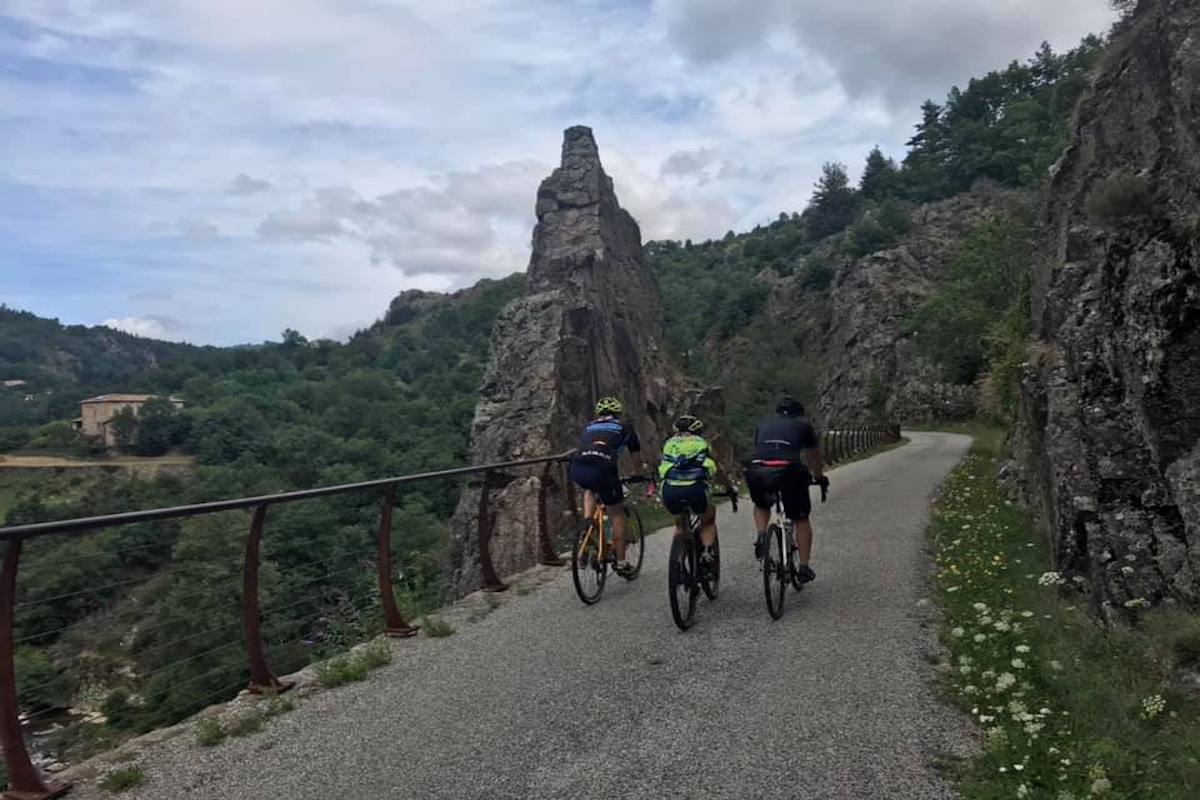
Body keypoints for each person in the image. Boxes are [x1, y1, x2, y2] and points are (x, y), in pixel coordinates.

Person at [744, 397, 829, 584]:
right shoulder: (803, 425)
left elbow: (759, 448)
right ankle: (804, 567)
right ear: (799, 414)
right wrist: (819, 477)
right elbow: (813, 455)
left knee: (761, 503)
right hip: (789, 470)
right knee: (800, 518)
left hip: (759, 469)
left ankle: (761, 534)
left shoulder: (762, 423)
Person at [569, 396, 643, 575]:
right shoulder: (625, 428)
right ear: (617, 413)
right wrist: (638, 474)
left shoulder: (589, 427)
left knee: (590, 487)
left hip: (578, 465)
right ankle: (621, 561)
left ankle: (587, 524)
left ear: (598, 414)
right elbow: (636, 458)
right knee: (617, 513)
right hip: (604, 467)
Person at [658, 415, 728, 570]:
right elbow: (719, 469)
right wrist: (728, 488)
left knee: (680, 526)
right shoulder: (702, 443)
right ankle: (707, 552)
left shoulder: (668, 444)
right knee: (708, 522)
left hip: (670, 490)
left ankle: (678, 562)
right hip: (696, 489)